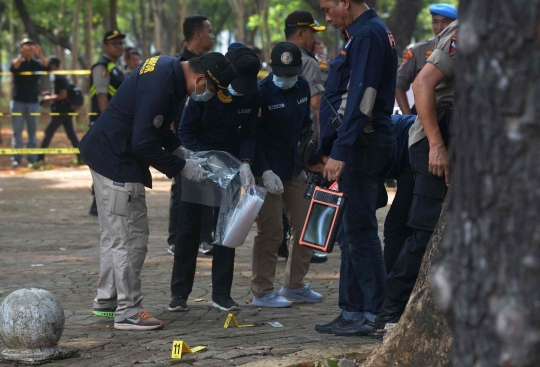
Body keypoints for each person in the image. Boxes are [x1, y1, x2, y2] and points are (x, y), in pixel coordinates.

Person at [79, 51, 237, 331]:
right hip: (117, 161)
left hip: (105, 151)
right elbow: (143, 143)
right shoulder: (164, 85)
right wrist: (181, 167)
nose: (210, 95)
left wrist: (178, 148)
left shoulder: (170, 70)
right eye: (212, 89)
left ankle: (108, 299)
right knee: (130, 237)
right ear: (200, 79)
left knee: (114, 234)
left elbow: (158, 125)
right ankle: (128, 311)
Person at [314, 0, 398, 336]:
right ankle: (351, 310)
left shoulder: (368, 34)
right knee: (349, 232)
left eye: (327, 7)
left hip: (362, 145)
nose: (326, 15)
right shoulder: (360, 33)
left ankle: (373, 312)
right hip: (355, 145)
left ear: (344, 1)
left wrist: (342, 149)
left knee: (361, 232)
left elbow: (363, 96)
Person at [374, 20, 458, 334]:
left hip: (469, 145)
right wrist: (437, 146)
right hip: (437, 141)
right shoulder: (469, 31)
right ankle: (389, 315)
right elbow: (422, 84)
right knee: (425, 232)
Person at [170, 45, 260, 313]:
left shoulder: (252, 94)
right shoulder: (207, 91)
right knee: (189, 230)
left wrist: (246, 163)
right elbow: (186, 130)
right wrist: (204, 158)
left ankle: (222, 294)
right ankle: (179, 294)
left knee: (226, 231)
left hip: (231, 169)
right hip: (198, 166)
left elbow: (250, 134)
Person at [251, 42, 322, 308]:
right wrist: (264, 170)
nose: (287, 79)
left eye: (291, 73)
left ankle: (294, 285)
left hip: (294, 169)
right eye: (282, 74)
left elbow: (305, 126)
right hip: (267, 171)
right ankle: (263, 290)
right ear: (270, 68)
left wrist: (310, 154)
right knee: (270, 232)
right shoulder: (261, 92)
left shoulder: (302, 86)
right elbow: (253, 138)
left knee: (306, 226)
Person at [301, 114, 417, 275]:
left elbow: (377, 198)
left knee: (396, 227)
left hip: (415, 146)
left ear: (326, 158)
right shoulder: (343, 147)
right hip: (405, 147)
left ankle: (391, 286)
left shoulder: (350, 153)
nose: (320, 178)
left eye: (317, 171)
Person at [168, 14, 216, 256]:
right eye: (209, 31)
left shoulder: (207, 64)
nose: (212, 36)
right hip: (183, 138)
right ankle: (177, 239)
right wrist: (177, 143)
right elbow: (172, 109)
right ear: (198, 34)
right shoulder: (181, 67)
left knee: (207, 184)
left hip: (205, 136)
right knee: (183, 188)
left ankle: (205, 238)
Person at [88, 30, 127, 216]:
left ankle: (104, 202)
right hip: (105, 123)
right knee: (103, 163)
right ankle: (97, 204)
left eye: (121, 43)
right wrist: (108, 123)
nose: (120, 47)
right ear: (105, 46)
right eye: (115, 44)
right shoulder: (101, 67)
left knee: (110, 162)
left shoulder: (114, 67)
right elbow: (102, 96)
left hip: (115, 122)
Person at [395, 4, 457, 115]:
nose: (439, 27)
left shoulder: (461, 50)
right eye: (435, 21)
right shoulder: (417, 50)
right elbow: (399, 84)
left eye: (444, 22)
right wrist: (408, 118)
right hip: (423, 116)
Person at [9, 38, 49, 169]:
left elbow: (47, 67)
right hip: (18, 101)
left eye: (30, 47)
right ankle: (17, 159)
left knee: (32, 132)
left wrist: (40, 54)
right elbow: (14, 67)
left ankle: (32, 159)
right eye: (25, 47)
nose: (28, 50)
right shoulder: (17, 62)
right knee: (17, 132)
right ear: (20, 49)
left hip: (33, 102)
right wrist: (21, 55)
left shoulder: (37, 63)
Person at [37, 56, 80, 164]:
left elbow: (63, 95)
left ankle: (39, 159)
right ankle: (81, 157)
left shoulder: (59, 77)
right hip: (66, 110)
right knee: (72, 135)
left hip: (61, 111)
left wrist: (49, 98)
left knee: (48, 132)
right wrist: (49, 94)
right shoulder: (59, 76)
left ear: (53, 65)